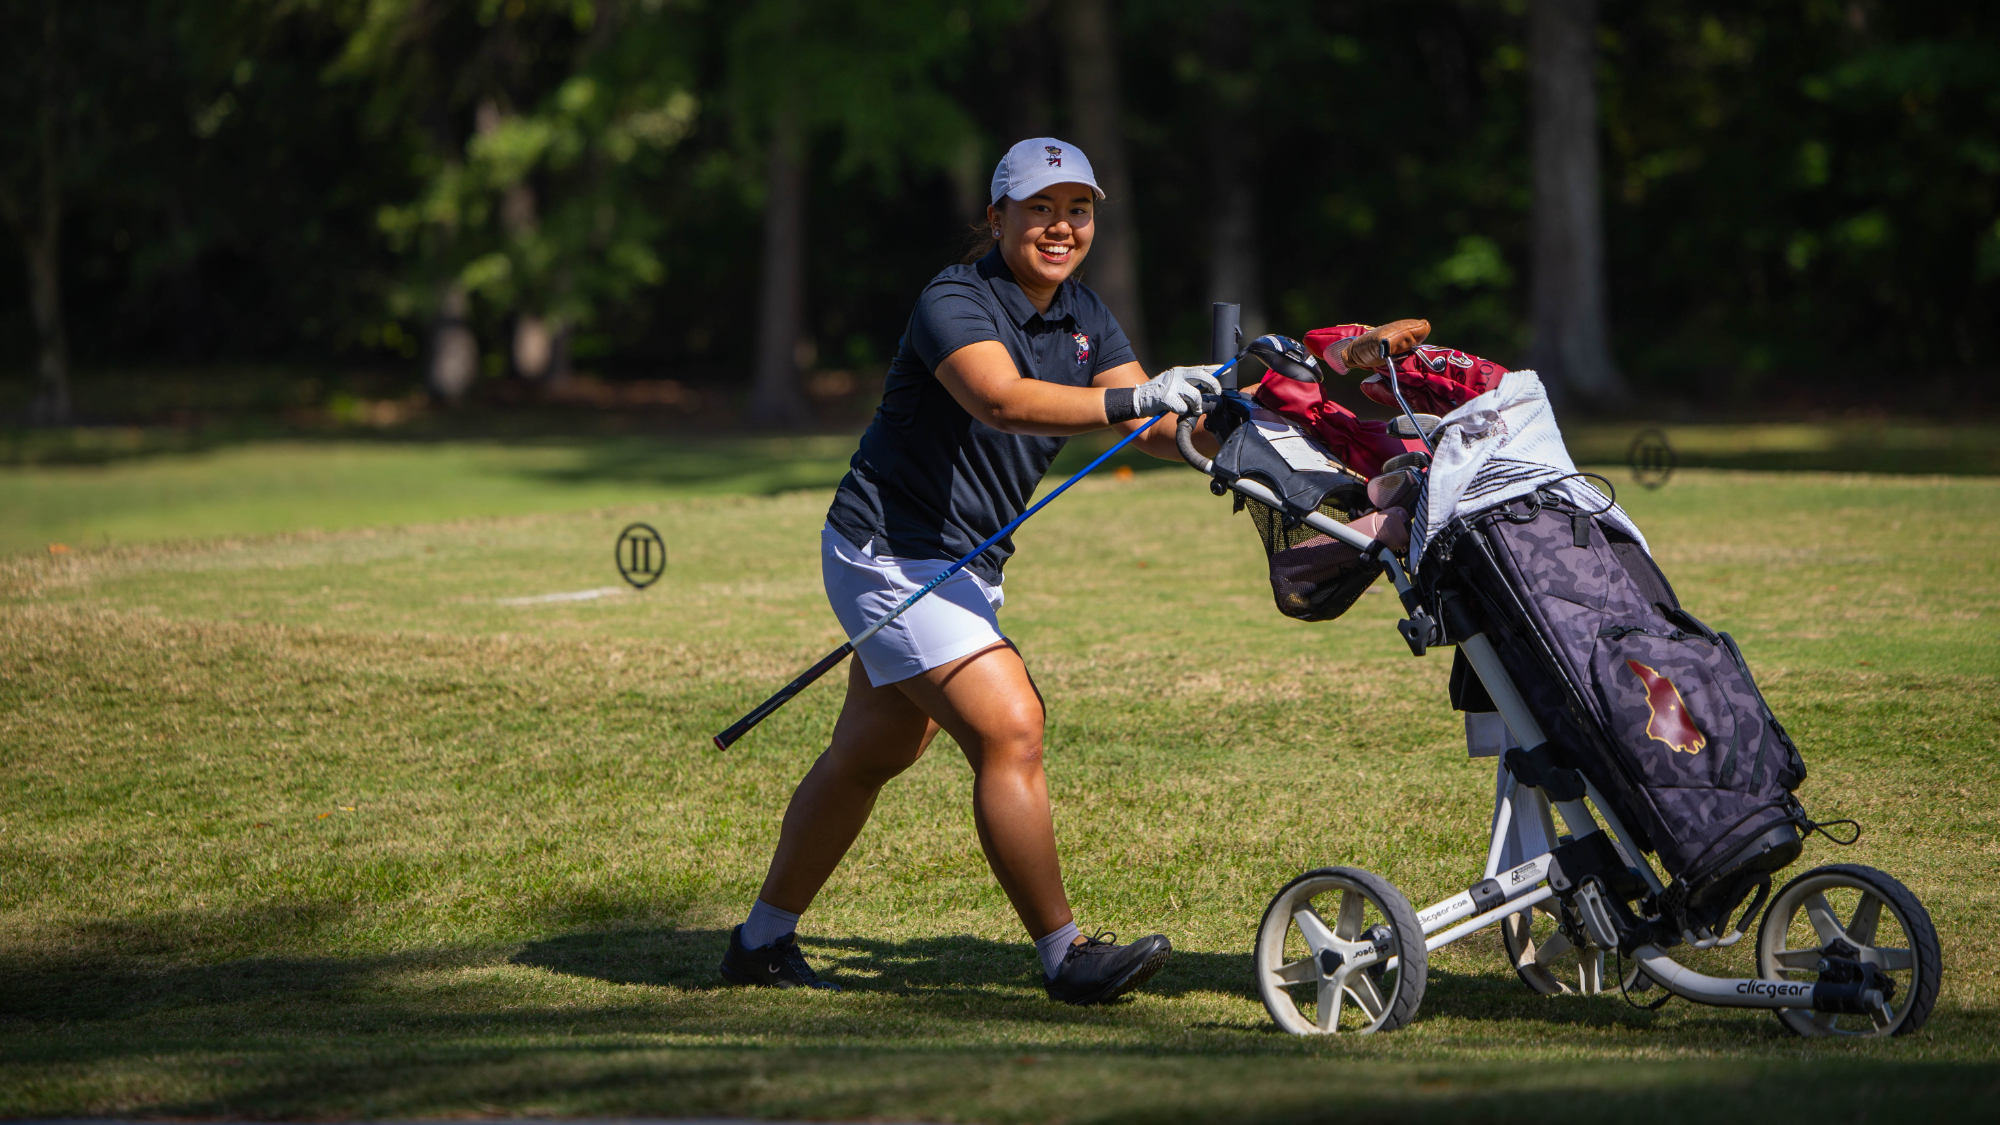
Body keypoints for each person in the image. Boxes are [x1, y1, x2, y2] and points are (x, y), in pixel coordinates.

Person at [718, 137, 1224, 1005]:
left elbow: (1162, 427)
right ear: (996, 219)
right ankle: (1066, 956)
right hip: (889, 553)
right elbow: (1002, 399)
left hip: (962, 565)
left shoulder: (1086, 315)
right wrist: (1140, 396)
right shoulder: (953, 299)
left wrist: (1243, 435)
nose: (1061, 226)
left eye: (1078, 209)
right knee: (1010, 727)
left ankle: (760, 942)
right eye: (1039, 209)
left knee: (869, 750)